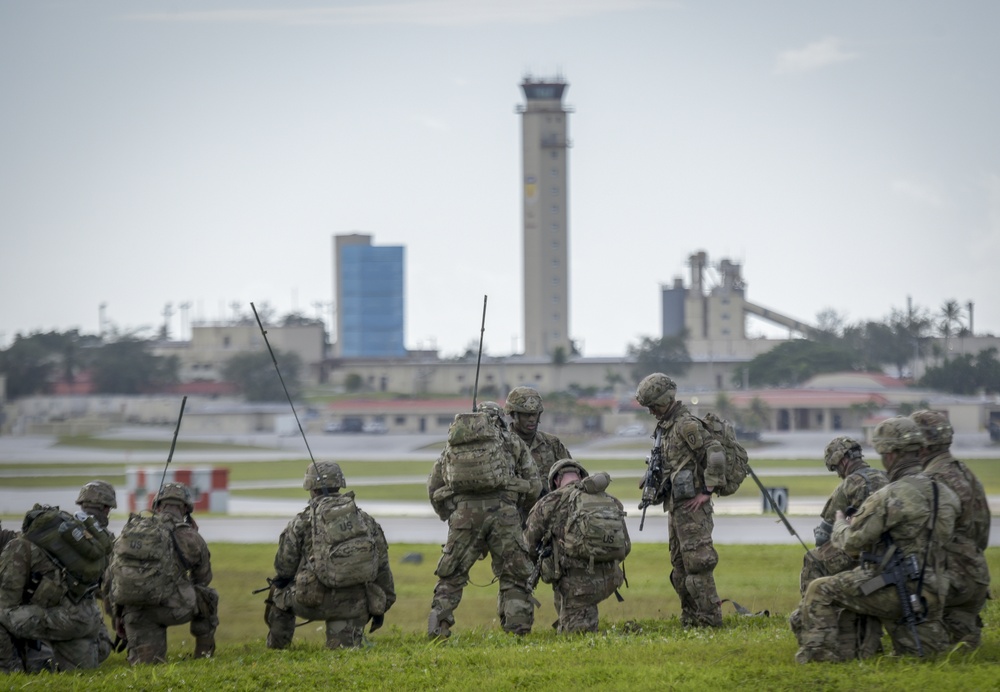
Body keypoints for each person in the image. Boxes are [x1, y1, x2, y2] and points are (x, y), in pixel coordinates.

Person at [795, 417, 960, 663]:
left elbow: (851, 542)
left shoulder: (890, 495)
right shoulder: (944, 493)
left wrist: (841, 522)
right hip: (937, 590)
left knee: (820, 588)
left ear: (891, 454)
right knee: (921, 659)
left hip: (898, 589)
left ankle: (819, 660)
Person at [427, 404, 541, 639]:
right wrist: (520, 509)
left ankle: (439, 628)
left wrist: (451, 514)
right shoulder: (511, 441)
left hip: (464, 517)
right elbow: (533, 483)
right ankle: (517, 631)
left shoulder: (454, 446)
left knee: (452, 574)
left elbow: (434, 485)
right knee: (515, 575)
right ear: (498, 420)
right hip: (505, 515)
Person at [266, 461, 396, 650]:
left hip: (312, 602)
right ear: (340, 484)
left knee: (278, 594)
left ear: (311, 488)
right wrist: (381, 605)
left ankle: (278, 649)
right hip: (355, 605)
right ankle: (343, 642)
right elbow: (382, 568)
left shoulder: (301, 521)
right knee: (342, 654)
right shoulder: (364, 520)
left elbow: (284, 569)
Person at [635, 373, 726, 628]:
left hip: (693, 509)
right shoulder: (665, 428)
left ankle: (709, 619)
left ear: (667, 400)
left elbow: (716, 454)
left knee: (698, 565)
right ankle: (691, 618)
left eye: (654, 405)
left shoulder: (686, 425)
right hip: (676, 507)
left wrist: (706, 491)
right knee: (679, 567)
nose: (652, 411)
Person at [789, 437, 887, 658]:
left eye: (836, 468)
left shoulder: (849, 484)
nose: (838, 473)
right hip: (887, 556)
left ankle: (810, 619)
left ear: (842, 461)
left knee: (813, 558)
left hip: (860, 553)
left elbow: (824, 535)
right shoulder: (886, 477)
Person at [911, 409, 991, 649]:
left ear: (922, 446)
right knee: (963, 646)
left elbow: (922, 539)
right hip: (975, 571)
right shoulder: (967, 473)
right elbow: (982, 529)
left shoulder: (930, 480)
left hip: (947, 577)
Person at [113, 483, 218, 664]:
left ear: (158, 506)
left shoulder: (131, 531)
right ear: (185, 508)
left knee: (147, 666)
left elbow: (112, 578)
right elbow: (203, 579)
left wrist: (118, 615)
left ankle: (141, 654)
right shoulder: (190, 536)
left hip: (135, 612)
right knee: (208, 596)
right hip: (171, 608)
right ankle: (204, 653)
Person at [0, 504, 113, 673]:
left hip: (63, 620)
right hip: (87, 621)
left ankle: (10, 670)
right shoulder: (57, 550)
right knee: (78, 671)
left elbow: (7, 603)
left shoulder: (18, 547)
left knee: (2, 612)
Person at [523, 459, 629, 633]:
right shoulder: (610, 500)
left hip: (577, 586)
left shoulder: (549, 502)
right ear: (580, 476)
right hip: (610, 579)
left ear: (556, 480)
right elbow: (626, 545)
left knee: (577, 637)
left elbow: (528, 545)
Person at [505, 387, 572, 490]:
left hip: (548, 504)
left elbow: (571, 475)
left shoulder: (552, 444)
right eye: (526, 415)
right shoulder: (502, 444)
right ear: (514, 415)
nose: (532, 419)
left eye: (535, 414)